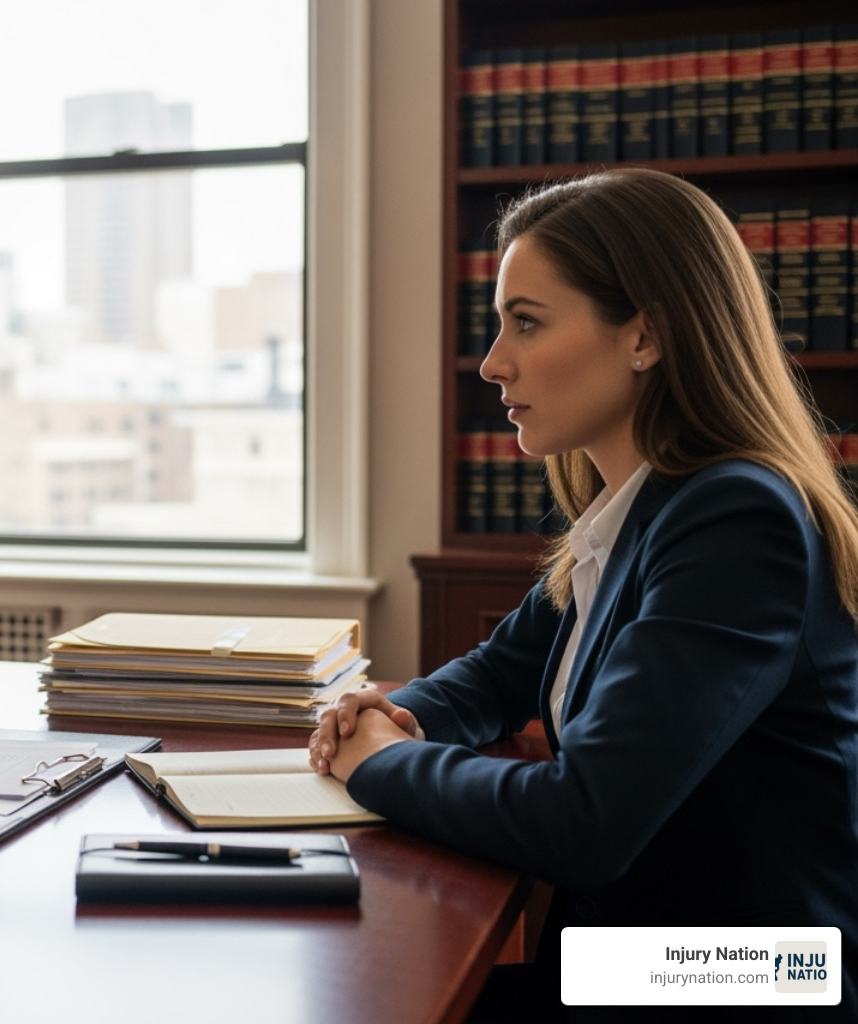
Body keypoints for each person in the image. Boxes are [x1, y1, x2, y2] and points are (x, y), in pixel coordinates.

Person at [310, 168, 858, 1021]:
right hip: (657, 958)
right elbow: (497, 677)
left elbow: (585, 822)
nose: (493, 363)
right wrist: (393, 714)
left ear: (644, 335)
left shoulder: (735, 520)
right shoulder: (637, 509)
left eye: (526, 323)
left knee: (375, 998)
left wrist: (381, 764)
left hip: (760, 977)